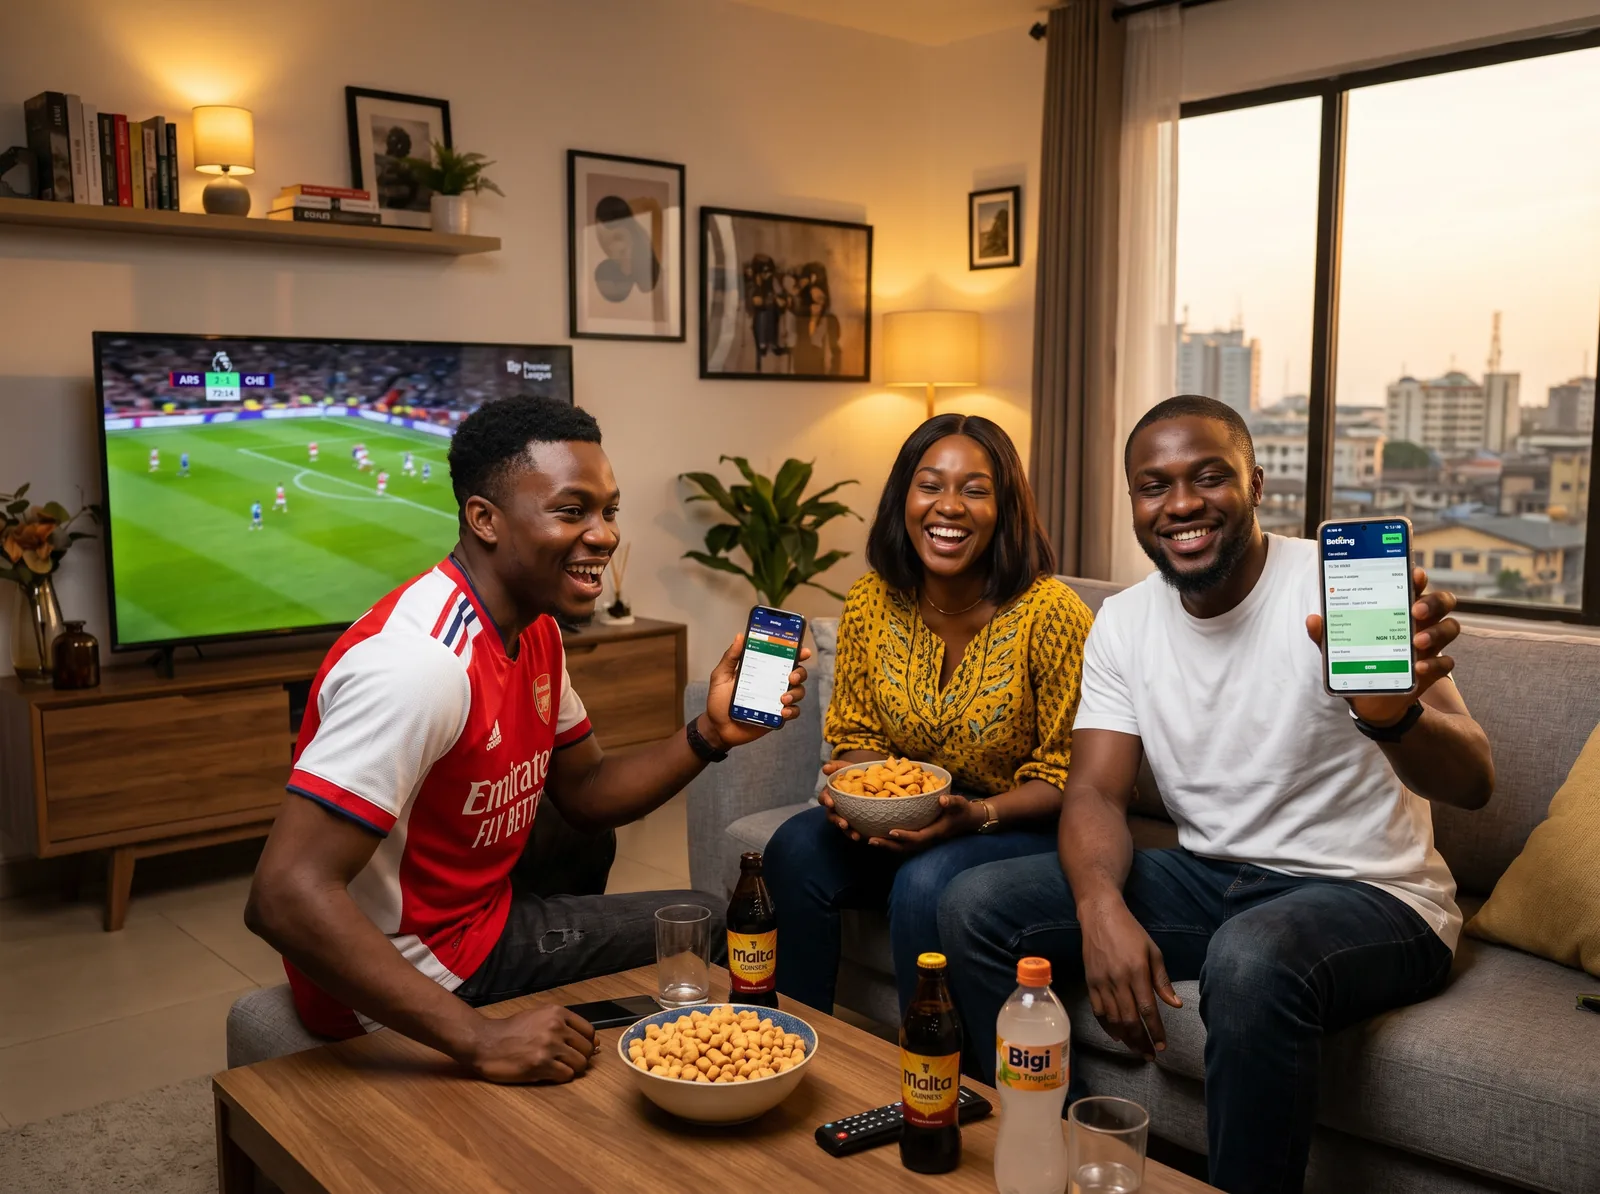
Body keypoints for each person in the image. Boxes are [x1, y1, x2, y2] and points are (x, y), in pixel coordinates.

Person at [938, 396, 1493, 1194]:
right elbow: (1094, 791)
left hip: (1375, 894)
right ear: (1134, 502)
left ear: (1257, 483)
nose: (1182, 504)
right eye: (1154, 486)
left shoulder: (1332, 587)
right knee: (974, 904)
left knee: (1251, 959)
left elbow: (1476, 780)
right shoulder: (1124, 622)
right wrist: (1100, 910)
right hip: (1215, 879)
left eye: (1209, 478)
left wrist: (1395, 717)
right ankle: (1036, 1160)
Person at [245, 396, 809, 1086]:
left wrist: (710, 734)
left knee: (582, 835)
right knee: (717, 928)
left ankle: (545, 1003)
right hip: (418, 961)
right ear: (484, 519)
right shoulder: (420, 668)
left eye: (609, 511)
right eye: (572, 512)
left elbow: (589, 793)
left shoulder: (532, 626)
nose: (603, 535)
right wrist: (480, 1040)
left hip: (476, 907)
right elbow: (283, 894)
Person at [765, 413, 1093, 1016]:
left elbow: (1066, 776)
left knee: (926, 883)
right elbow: (857, 734)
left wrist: (974, 816)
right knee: (793, 847)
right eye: (930, 485)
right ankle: (796, 1044)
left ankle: (940, 1086)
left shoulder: (1053, 613)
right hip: (903, 813)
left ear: (1005, 509)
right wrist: (859, 796)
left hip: (1014, 823)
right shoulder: (872, 598)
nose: (949, 507)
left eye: (975, 490)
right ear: (904, 498)